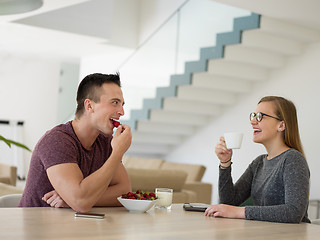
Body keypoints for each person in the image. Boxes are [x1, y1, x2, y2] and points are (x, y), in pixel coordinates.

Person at [19, 73, 132, 213]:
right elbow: (81, 203)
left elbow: (124, 192)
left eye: (122, 104)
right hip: (35, 230)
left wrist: (73, 200)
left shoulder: (105, 142)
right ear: (89, 106)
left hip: (71, 229)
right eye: (115, 102)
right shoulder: (57, 141)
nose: (121, 111)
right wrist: (117, 152)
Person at [204, 96, 310, 223]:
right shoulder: (259, 163)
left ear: (281, 125)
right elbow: (229, 203)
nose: (253, 121)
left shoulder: (293, 159)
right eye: (253, 116)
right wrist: (225, 163)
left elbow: (294, 212)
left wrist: (240, 212)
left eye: (260, 116)